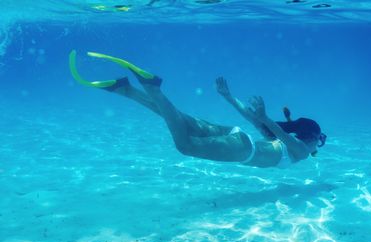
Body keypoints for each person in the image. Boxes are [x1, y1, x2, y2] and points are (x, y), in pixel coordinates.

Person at [68, 50, 326, 168]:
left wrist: (228, 97)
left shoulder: (289, 142)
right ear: (312, 137)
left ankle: (128, 90)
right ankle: (152, 87)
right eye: (321, 140)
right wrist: (266, 119)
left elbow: (253, 120)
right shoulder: (301, 151)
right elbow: (275, 131)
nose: (318, 147)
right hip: (242, 149)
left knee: (178, 119)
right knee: (185, 145)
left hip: (239, 137)